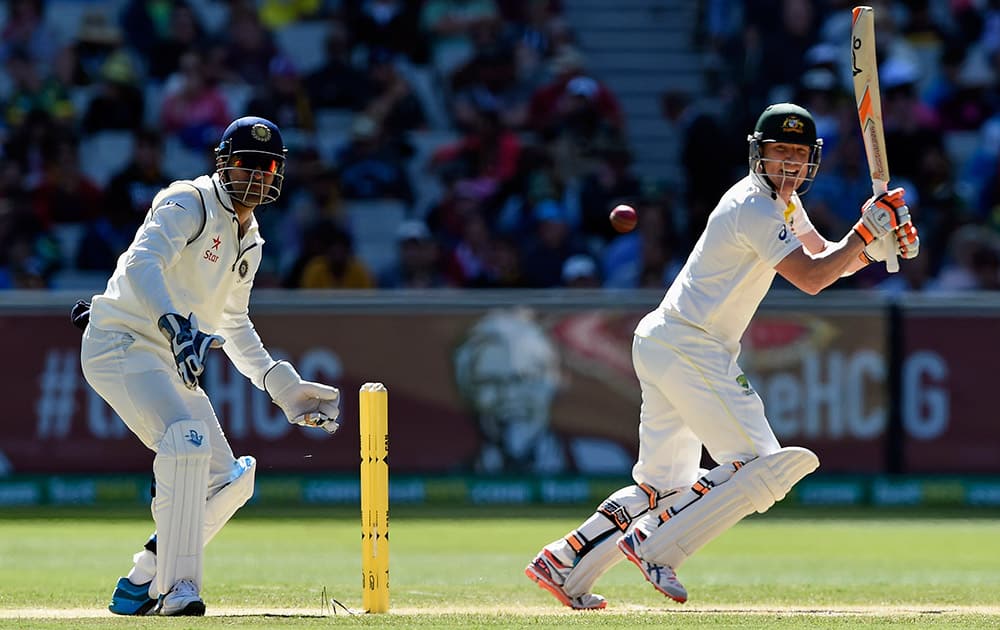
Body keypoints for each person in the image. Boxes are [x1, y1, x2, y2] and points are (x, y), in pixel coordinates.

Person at [524, 103, 919, 609]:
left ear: (811, 161)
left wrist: (871, 243)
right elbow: (814, 280)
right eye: (779, 153)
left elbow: (824, 259)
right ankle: (652, 543)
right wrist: (868, 231)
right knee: (759, 465)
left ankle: (564, 560)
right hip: (691, 344)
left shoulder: (783, 206)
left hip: (666, 339)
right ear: (759, 153)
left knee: (663, 485)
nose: (789, 165)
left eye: (798, 155)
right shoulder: (754, 207)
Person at [77, 116, 342, 616]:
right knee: (184, 443)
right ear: (223, 164)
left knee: (231, 480)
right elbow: (141, 263)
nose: (257, 176)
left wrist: (283, 389)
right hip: (122, 343)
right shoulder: (188, 201)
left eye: (267, 168)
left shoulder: (252, 241)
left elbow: (234, 323)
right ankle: (179, 591)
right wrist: (175, 325)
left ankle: (143, 576)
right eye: (246, 165)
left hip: (171, 356)